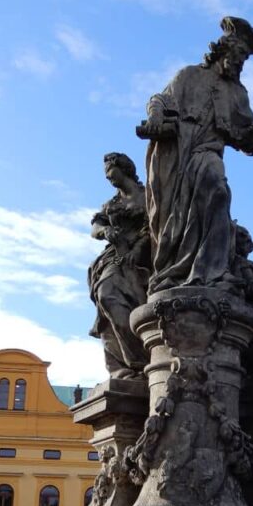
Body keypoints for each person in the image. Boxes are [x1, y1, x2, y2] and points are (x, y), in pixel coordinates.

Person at [139, 16, 253, 294]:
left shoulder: (237, 93)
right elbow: (160, 99)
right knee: (172, 223)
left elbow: (250, 135)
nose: (241, 61)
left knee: (217, 190)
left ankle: (211, 273)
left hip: (206, 154)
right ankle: (174, 270)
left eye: (245, 57)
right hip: (175, 157)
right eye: (239, 54)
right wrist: (156, 115)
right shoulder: (189, 75)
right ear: (224, 49)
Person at [88, 152, 151, 379]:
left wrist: (139, 248)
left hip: (145, 258)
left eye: (109, 171)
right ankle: (126, 364)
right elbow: (95, 227)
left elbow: (158, 225)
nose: (107, 177)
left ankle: (143, 361)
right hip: (114, 257)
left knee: (135, 305)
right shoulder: (111, 204)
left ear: (123, 167)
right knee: (106, 296)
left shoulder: (150, 196)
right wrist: (105, 231)